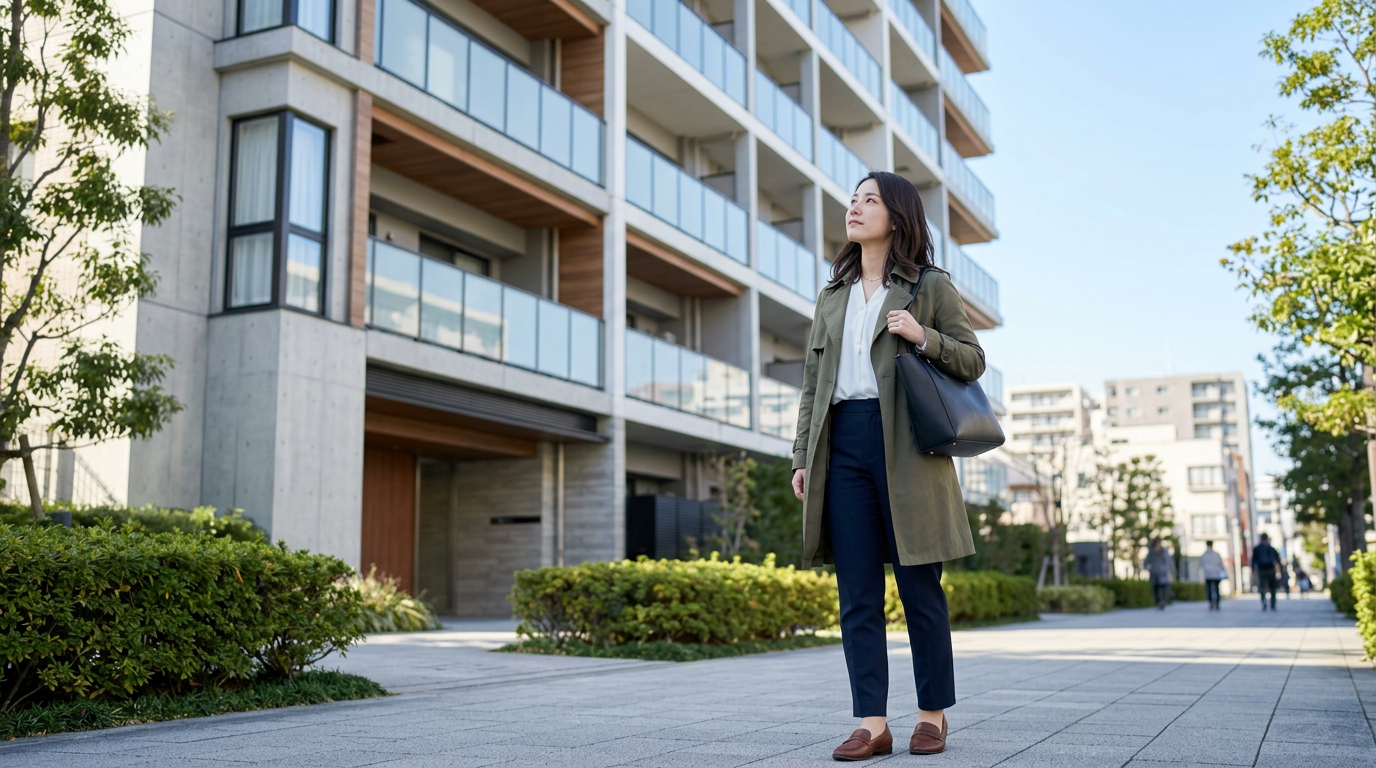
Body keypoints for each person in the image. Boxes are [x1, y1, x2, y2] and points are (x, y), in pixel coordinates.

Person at [790, 172, 985, 760]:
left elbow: (973, 359)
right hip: (842, 444)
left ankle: (932, 715)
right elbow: (811, 385)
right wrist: (803, 455)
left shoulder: (929, 286)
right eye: (852, 200)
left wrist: (923, 336)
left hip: (907, 445)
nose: (855, 208)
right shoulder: (832, 296)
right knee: (857, 593)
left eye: (869, 200)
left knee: (919, 585)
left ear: (897, 217)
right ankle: (872, 724)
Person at [1253, 533, 1281, 611]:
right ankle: (1272, 604)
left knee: (1263, 587)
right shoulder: (1271, 548)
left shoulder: (1257, 549)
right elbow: (1278, 560)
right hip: (1269, 569)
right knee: (1272, 588)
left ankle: (1265, 603)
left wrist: (1254, 569)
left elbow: (1253, 561)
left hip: (1263, 569)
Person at [1143, 538, 1174, 609]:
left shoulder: (1164, 552)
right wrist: (1145, 567)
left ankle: (1163, 602)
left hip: (1163, 574)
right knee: (1155, 591)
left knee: (1165, 591)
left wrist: (1173, 572)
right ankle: (1158, 602)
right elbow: (1146, 561)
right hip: (1154, 574)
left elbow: (1170, 562)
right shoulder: (1151, 553)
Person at [1201, 540, 1226, 611]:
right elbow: (1221, 564)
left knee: (1209, 590)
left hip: (1208, 574)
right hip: (1216, 574)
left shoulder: (1204, 555)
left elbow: (1201, 565)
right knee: (1216, 589)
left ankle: (1211, 604)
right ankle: (1217, 604)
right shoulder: (1216, 554)